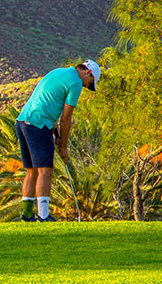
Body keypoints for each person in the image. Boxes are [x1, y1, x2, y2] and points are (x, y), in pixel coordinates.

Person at [15, 60, 100, 222]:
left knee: (32, 171)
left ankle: (27, 215)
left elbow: (47, 104)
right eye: (89, 84)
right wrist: (64, 147)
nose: (85, 87)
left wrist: (56, 134)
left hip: (23, 122)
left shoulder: (58, 72)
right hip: (38, 125)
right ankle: (43, 215)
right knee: (45, 170)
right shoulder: (75, 82)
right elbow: (66, 118)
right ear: (88, 73)